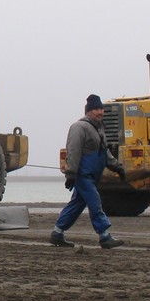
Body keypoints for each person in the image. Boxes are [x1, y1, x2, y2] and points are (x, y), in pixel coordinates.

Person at [51, 94, 127, 249]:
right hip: (82, 175)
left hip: (92, 176)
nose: (100, 112)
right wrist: (71, 173)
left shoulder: (99, 128)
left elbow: (104, 152)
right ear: (88, 111)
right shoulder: (79, 127)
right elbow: (73, 151)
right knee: (95, 201)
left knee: (76, 205)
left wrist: (117, 166)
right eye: (95, 109)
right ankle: (104, 236)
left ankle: (57, 233)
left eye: (101, 109)